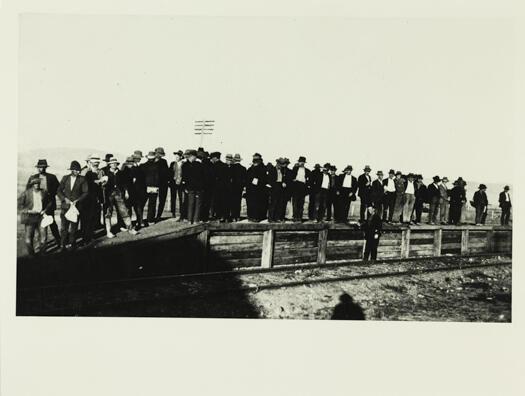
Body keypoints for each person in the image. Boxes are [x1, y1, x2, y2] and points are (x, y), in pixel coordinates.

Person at [26, 159, 61, 246]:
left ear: (46, 167)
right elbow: (28, 190)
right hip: (37, 206)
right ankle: (40, 245)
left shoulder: (52, 177)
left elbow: (58, 189)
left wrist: (49, 194)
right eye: (40, 167)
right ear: (37, 168)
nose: (41, 169)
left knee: (52, 223)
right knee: (38, 225)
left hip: (49, 205)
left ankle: (59, 240)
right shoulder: (33, 177)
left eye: (43, 167)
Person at [56, 160, 89, 251]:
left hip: (76, 207)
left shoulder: (82, 179)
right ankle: (62, 245)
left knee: (74, 227)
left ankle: (72, 244)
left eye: (78, 170)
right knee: (64, 228)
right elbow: (58, 190)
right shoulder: (65, 178)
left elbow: (86, 192)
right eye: (76, 170)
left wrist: (78, 200)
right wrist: (64, 199)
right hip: (65, 207)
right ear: (72, 170)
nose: (78, 172)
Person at [103, 157, 138, 238]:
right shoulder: (106, 173)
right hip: (109, 195)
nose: (114, 165)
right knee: (108, 213)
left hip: (119, 194)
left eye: (115, 163)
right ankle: (108, 231)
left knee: (124, 211)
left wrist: (126, 192)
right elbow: (103, 186)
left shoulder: (121, 173)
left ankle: (130, 229)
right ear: (109, 164)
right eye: (112, 163)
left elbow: (124, 184)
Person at [18, 177, 53, 256]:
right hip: (30, 217)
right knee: (28, 238)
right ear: (32, 184)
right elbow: (19, 205)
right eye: (35, 183)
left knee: (43, 237)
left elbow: (50, 202)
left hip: (41, 217)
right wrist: (28, 211)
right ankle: (31, 255)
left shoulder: (44, 192)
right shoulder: (26, 193)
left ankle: (43, 254)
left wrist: (45, 210)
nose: (37, 185)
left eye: (38, 183)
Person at [81, 154, 107, 245]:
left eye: (97, 162)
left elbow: (103, 185)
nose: (96, 164)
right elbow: (84, 183)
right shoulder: (84, 171)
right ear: (89, 162)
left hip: (96, 197)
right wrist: (98, 181)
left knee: (93, 217)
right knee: (85, 218)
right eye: (94, 162)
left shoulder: (101, 171)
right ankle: (85, 237)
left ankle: (90, 236)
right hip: (86, 197)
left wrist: (103, 183)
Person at [181, 149, 206, 224]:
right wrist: (185, 187)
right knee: (193, 204)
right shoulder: (196, 165)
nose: (195, 158)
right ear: (192, 156)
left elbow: (201, 177)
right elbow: (184, 177)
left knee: (194, 204)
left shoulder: (187, 165)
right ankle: (191, 220)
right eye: (195, 156)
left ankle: (194, 220)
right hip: (192, 188)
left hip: (196, 188)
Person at [267, 158, 292, 222]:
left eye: (281, 164)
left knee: (279, 203)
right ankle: (271, 218)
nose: (280, 166)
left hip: (280, 187)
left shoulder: (283, 170)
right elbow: (269, 180)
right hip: (274, 188)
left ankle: (277, 218)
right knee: (273, 203)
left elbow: (285, 178)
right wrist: (273, 185)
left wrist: (284, 182)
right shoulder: (272, 170)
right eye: (279, 164)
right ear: (277, 163)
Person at [245, 153, 268, 222]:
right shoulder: (251, 168)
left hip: (259, 190)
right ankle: (252, 216)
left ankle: (257, 217)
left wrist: (258, 181)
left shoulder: (263, 168)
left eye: (256, 159)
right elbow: (247, 178)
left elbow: (264, 179)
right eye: (254, 159)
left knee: (258, 204)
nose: (255, 161)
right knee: (252, 203)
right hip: (251, 190)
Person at [209, 152, 229, 222]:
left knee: (217, 203)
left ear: (215, 158)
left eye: (212, 158)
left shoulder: (214, 166)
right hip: (225, 187)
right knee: (224, 202)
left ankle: (218, 216)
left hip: (216, 187)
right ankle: (225, 217)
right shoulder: (225, 165)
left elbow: (212, 177)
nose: (211, 160)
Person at [141, 151, 160, 225]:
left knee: (142, 204)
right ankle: (150, 220)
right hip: (154, 187)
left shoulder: (143, 166)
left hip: (144, 187)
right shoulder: (157, 166)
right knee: (152, 204)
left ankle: (140, 220)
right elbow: (158, 178)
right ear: (154, 158)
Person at [290, 156, 310, 222]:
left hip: (303, 188)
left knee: (301, 203)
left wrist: (307, 185)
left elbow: (309, 180)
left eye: (303, 162)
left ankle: (299, 217)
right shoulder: (294, 169)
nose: (301, 163)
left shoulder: (307, 171)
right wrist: (293, 180)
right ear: (298, 162)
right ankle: (295, 217)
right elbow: (290, 178)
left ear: (304, 163)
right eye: (300, 162)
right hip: (295, 187)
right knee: (295, 203)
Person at [131, 151, 147, 229]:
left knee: (139, 206)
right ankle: (140, 221)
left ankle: (139, 220)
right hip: (135, 190)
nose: (139, 159)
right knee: (138, 206)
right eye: (138, 158)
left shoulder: (139, 167)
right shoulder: (132, 167)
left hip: (141, 190)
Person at [154, 147, 169, 222]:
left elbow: (167, 173)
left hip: (163, 184)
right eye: (157, 154)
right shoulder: (152, 161)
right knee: (152, 201)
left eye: (160, 154)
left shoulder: (164, 162)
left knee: (162, 201)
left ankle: (158, 216)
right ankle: (151, 217)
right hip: (154, 185)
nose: (158, 155)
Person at [230, 154, 247, 221]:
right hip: (239, 188)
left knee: (232, 202)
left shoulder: (231, 167)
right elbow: (245, 179)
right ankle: (237, 216)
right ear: (239, 160)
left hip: (232, 187)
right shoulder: (243, 168)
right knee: (238, 202)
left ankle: (233, 216)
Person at [169, 150, 184, 219]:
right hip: (173, 183)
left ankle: (181, 212)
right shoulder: (172, 164)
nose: (176, 158)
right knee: (173, 198)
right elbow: (169, 173)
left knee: (181, 198)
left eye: (178, 156)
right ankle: (173, 212)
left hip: (181, 184)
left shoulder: (184, 164)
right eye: (176, 156)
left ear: (181, 157)